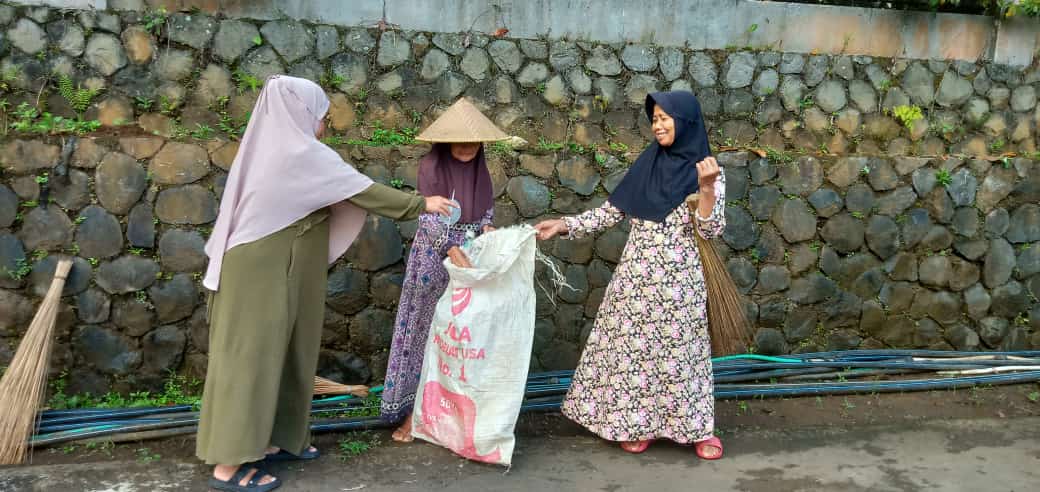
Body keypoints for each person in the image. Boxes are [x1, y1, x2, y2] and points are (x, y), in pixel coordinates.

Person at [197, 75, 457, 492]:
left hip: (281, 264)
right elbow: (362, 189)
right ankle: (228, 463)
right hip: (264, 268)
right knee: (252, 358)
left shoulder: (279, 149)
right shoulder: (299, 153)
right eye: (320, 116)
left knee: (287, 353)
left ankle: (272, 438)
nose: (324, 124)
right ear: (299, 112)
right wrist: (420, 204)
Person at [534, 91, 727, 459]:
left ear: (685, 120)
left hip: (680, 283)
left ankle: (696, 429)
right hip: (636, 280)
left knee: (683, 354)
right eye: (653, 118)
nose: (657, 124)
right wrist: (564, 225)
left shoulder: (709, 170)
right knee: (635, 356)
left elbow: (711, 229)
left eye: (665, 117)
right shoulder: (646, 166)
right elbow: (611, 212)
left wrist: (705, 189)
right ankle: (636, 423)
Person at [379, 97, 509, 442]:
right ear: (446, 140)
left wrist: (487, 230)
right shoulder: (430, 168)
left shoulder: (482, 172)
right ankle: (412, 415)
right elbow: (428, 216)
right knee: (423, 335)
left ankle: (450, 414)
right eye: (460, 139)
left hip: (468, 261)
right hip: (431, 264)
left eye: (474, 141)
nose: (467, 146)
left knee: (458, 340)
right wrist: (448, 247)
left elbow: (483, 214)